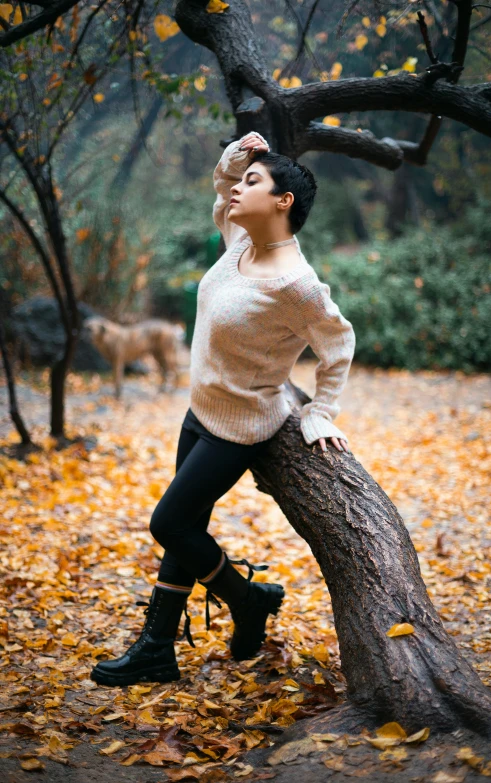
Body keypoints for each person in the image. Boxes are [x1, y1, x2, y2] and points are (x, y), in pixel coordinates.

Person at [90, 131, 356, 687]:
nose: (239, 189)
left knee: (167, 523)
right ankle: (156, 649)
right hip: (198, 409)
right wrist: (238, 159)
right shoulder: (242, 242)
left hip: (239, 428)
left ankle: (248, 599)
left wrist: (320, 411)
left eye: (253, 182)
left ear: (283, 202)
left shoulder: (296, 284)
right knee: (187, 526)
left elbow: (338, 343)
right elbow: (221, 187)